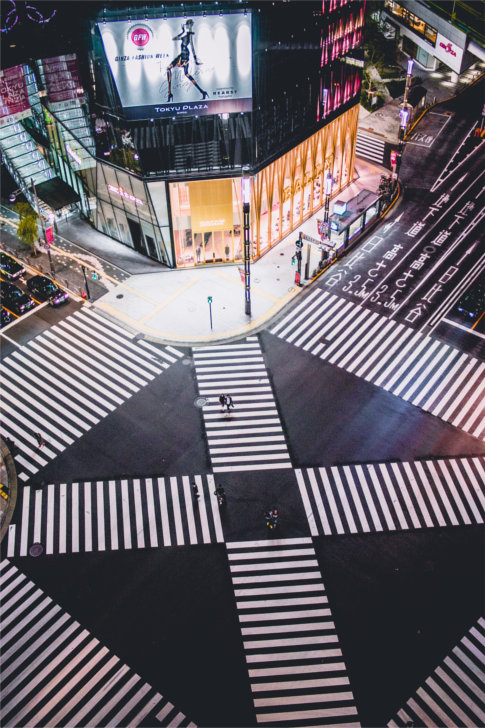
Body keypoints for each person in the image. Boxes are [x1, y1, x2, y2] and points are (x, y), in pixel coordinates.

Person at [166, 18, 208, 102]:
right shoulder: (185, 34)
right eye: (188, 24)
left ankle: (170, 93)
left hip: (184, 56)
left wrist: (195, 59)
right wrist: (182, 32)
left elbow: (192, 47)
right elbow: (174, 39)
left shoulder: (188, 35)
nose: (189, 26)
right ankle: (202, 91)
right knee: (185, 73)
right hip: (183, 55)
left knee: (177, 71)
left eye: (189, 24)